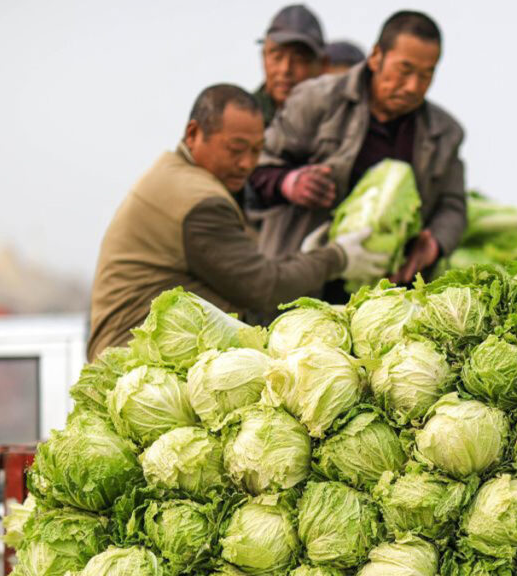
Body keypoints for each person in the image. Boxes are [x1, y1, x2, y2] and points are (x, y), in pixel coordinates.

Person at [87, 85, 386, 360]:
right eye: (235, 148)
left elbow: (244, 270)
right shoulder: (200, 201)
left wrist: (305, 257)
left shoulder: (175, 174)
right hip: (135, 359)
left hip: (145, 351)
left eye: (257, 151)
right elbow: (262, 287)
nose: (246, 163)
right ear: (193, 134)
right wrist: (337, 257)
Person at [246, 10, 467, 299]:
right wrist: (291, 183)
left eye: (426, 75)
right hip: (301, 285)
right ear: (376, 57)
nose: (413, 86)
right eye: (405, 70)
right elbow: (256, 166)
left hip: (385, 299)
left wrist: (435, 242)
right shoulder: (316, 100)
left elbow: (453, 206)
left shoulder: (444, 133)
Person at [253, 4, 328, 125]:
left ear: (323, 65)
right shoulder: (242, 120)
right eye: (277, 57)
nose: (285, 69)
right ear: (263, 56)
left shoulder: (339, 120)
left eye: (299, 59)